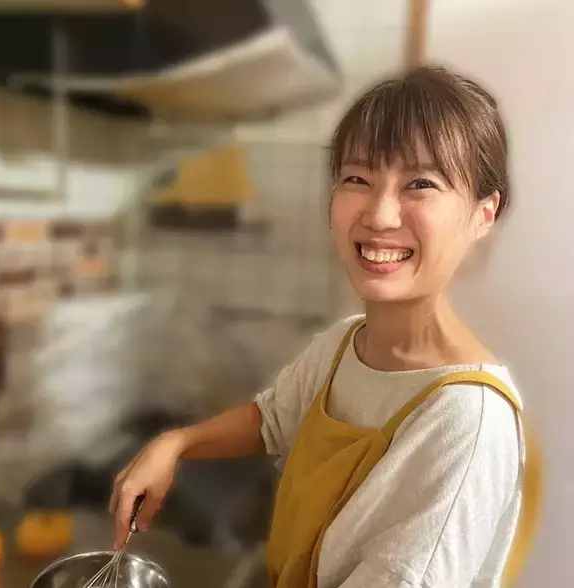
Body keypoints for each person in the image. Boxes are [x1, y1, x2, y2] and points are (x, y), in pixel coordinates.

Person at [109, 66, 535, 587]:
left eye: (421, 184)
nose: (379, 215)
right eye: (358, 179)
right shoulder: (343, 345)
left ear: (483, 213)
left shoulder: (466, 421)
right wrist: (176, 444)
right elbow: (272, 418)